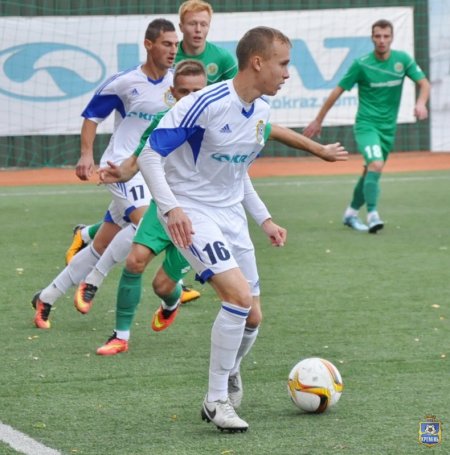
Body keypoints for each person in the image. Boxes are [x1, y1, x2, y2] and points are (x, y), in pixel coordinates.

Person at [131, 25, 291, 433]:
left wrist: (264, 219)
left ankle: (230, 369)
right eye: (283, 64)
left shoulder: (261, 112)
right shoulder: (204, 103)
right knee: (237, 297)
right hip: (193, 212)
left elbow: (238, 174)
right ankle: (216, 399)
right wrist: (172, 209)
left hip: (231, 215)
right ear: (258, 62)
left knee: (253, 317)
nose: (287, 73)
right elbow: (149, 154)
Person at [32, 18, 179, 329]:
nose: (173, 50)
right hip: (119, 168)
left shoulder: (177, 83)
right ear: (148, 44)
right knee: (145, 223)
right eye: (167, 44)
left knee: (101, 244)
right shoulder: (125, 82)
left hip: (150, 170)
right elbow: (92, 116)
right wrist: (87, 154)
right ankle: (94, 280)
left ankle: (46, 297)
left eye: (175, 45)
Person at [303, 19, 430, 233]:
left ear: (392, 37)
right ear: (372, 38)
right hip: (366, 125)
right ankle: (372, 215)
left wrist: (421, 102)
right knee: (376, 165)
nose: (382, 40)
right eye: (378, 36)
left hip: (388, 129)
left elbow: (424, 83)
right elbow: (337, 92)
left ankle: (351, 214)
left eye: (386, 36)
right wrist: (318, 120)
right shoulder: (361, 64)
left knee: (370, 171)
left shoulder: (402, 60)